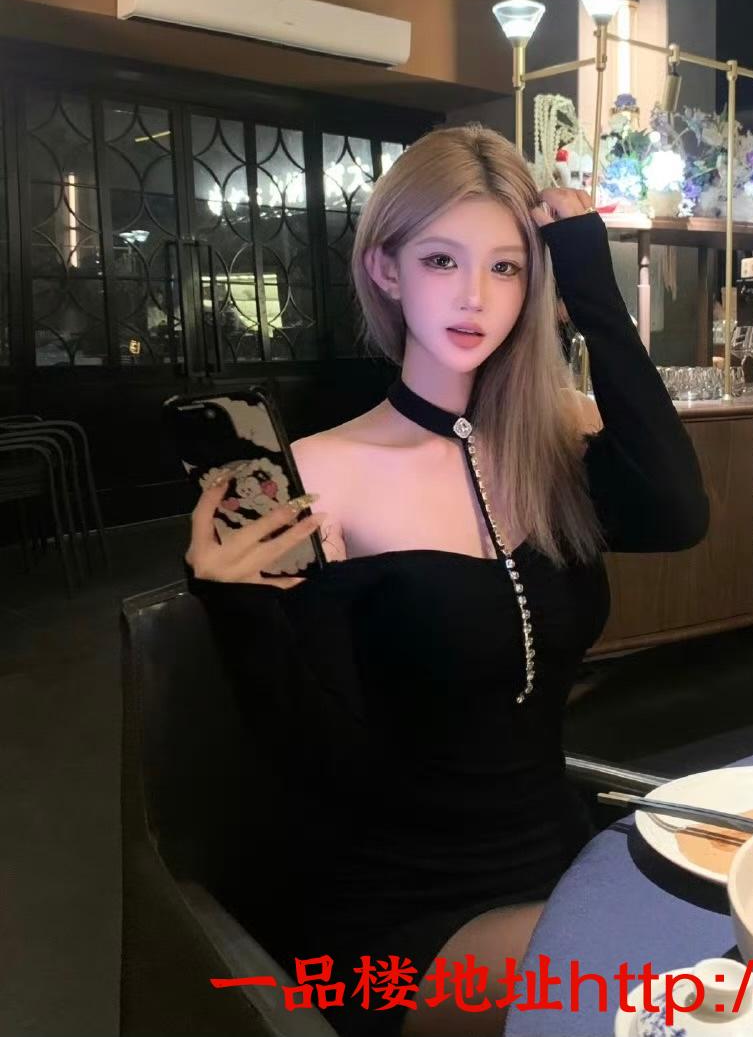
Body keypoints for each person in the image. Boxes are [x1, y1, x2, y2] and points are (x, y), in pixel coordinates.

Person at [184, 125, 709, 1037]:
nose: (474, 296)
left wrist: (589, 283)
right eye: (441, 259)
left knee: (737, 934)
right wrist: (241, 610)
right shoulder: (318, 474)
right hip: (397, 912)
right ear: (385, 269)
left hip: (557, 858)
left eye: (507, 268)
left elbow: (678, 513)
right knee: (658, 984)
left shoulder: (553, 449)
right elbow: (318, 764)